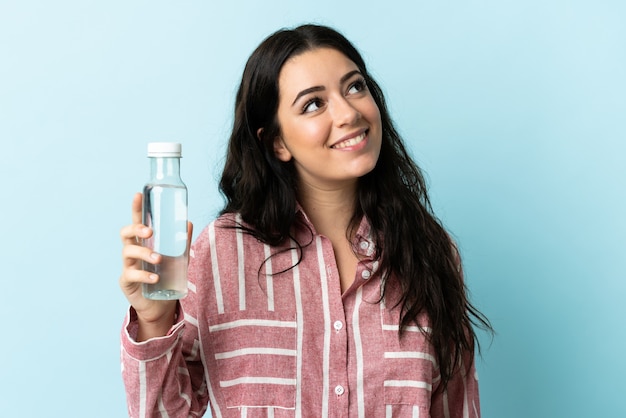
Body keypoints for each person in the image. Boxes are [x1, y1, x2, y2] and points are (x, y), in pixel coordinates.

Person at [119, 24, 492, 418]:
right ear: (276, 142)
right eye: (313, 104)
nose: (349, 112)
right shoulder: (219, 255)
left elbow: (457, 405)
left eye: (355, 87)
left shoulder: (431, 252)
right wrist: (153, 323)